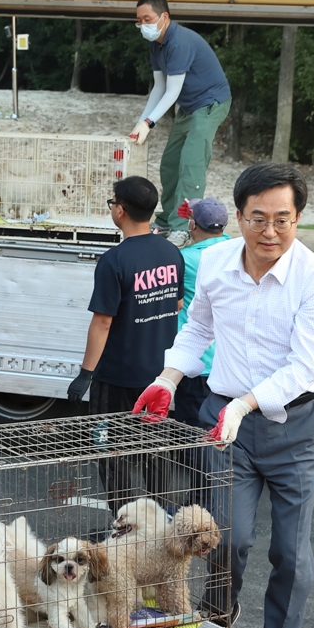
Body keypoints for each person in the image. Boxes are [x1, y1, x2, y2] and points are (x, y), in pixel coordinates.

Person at [133, 162, 314, 628]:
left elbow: (302, 366)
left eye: (283, 219)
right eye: (258, 218)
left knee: (291, 554)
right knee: (226, 537)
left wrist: (246, 404)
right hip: (224, 424)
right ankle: (217, 616)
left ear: (298, 218)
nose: (269, 232)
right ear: (240, 215)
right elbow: (198, 325)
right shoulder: (218, 262)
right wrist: (169, 377)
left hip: (292, 427)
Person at [67, 176, 183, 512]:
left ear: (120, 210)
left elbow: (103, 321)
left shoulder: (114, 260)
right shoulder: (171, 252)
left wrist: (86, 374)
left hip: (117, 376)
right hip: (159, 374)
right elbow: (175, 304)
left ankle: (123, 523)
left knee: (111, 451)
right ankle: (162, 524)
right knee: (154, 450)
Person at [130, 0, 232, 249]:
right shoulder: (156, 44)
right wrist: (141, 123)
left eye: (147, 19)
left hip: (210, 103)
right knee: (170, 163)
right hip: (188, 107)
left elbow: (172, 91)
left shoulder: (179, 42)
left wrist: (149, 123)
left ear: (164, 17)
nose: (143, 25)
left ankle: (183, 228)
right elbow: (159, 87)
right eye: (138, 21)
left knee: (190, 164)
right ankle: (166, 220)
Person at [171, 196, 231, 431]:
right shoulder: (237, 249)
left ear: (192, 225)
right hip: (228, 361)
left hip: (197, 362)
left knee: (192, 434)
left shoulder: (184, 259)